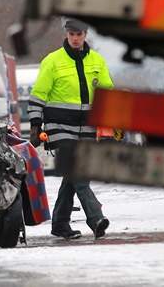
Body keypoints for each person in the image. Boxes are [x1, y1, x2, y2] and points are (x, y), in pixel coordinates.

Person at [28, 17, 114, 240]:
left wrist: (109, 132)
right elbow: (38, 96)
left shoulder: (97, 61)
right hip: (59, 127)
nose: (75, 38)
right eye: (71, 34)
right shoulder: (53, 61)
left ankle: (60, 224)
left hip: (87, 128)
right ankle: (95, 219)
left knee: (71, 176)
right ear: (66, 34)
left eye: (79, 34)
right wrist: (35, 126)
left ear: (85, 34)